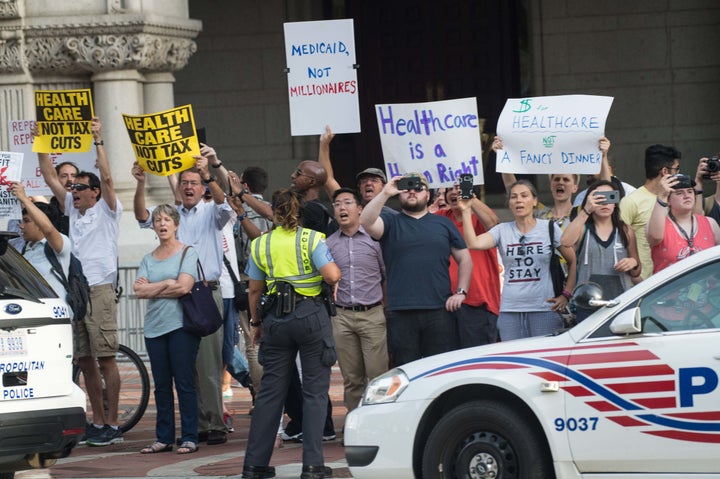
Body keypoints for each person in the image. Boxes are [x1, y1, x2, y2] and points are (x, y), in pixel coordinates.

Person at [241, 189, 341, 479]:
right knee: (314, 393)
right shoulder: (312, 239)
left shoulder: (261, 244)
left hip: (275, 321)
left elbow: (255, 289)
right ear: (298, 211)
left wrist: (256, 322)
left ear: (273, 211)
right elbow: (332, 275)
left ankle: (255, 465)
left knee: (270, 394)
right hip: (310, 316)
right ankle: (312, 465)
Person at [133, 156, 232, 446]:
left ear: (203, 188)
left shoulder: (212, 211)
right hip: (169, 307)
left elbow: (225, 203)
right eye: (184, 182)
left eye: (194, 183)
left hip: (203, 292)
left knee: (208, 365)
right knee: (180, 372)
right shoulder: (170, 214)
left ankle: (212, 423)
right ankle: (192, 426)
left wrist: (209, 173)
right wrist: (140, 183)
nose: (189, 187)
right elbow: (141, 215)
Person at [37, 116, 124, 446]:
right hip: (78, 292)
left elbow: (108, 177)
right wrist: (42, 141)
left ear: (94, 193)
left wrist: (98, 139)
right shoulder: (73, 210)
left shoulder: (108, 210)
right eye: (70, 188)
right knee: (85, 360)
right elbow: (48, 175)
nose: (72, 192)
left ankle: (113, 424)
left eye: (78, 188)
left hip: (100, 289)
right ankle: (98, 421)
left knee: (106, 357)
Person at [360, 173, 472, 367]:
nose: (412, 191)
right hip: (401, 312)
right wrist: (386, 192)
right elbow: (366, 222)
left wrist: (461, 292)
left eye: (418, 188)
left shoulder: (443, 223)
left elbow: (465, 258)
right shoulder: (390, 222)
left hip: (439, 309)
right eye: (406, 188)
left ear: (427, 195)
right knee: (405, 370)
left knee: (441, 369)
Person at [459, 180, 577, 341]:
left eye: (524, 196)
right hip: (510, 310)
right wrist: (466, 210)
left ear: (534, 201)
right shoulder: (502, 230)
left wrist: (566, 294)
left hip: (544, 309)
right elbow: (473, 243)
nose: (519, 200)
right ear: (509, 203)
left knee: (544, 359)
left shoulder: (549, 227)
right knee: (515, 362)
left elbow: (573, 261)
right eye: (514, 197)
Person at [133, 205, 201, 455]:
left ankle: (190, 436)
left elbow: (183, 287)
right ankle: (164, 437)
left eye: (166, 219)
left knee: (184, 382)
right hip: (154, 328)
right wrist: (166, 283)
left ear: (175, 223)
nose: (161, 224)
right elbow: (138, 291)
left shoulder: (187, 253)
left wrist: (154, 286)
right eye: (157, 220)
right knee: (161, 385)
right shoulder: (147, 259)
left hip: (181, 326)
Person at [326, 187, 388, 413]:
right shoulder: (329, 244)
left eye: (347, 203)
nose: (342, 208)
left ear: (360, 209)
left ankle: (380, 424)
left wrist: (384, 308)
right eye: (337, 204)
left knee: (378, 376)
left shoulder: (375, 240)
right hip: (341, 317)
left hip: (372, 314)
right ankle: (354, 425)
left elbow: (386, 276)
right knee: (352, 379)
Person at [560, 180, 641, 321]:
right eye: (599, 198)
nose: (605, 203)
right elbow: (565, 241)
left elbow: (636, 271)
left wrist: (632, 262)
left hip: (620, 302)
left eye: (610, 197)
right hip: (587, 302)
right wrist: (586, 210)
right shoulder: (583, 229)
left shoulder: (625, 230)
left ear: (615, 202)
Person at [493, 136, 610, 230]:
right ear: (550, 185)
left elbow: (606, 194)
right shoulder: (539, 212)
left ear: (575, 188)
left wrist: (603, 157)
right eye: (556, 179)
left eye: (566, 180)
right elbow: (513, 189)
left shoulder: (583, 211)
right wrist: (502, 157)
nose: (560, 183)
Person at [436, 185, 501, 346]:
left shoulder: (480, 218)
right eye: (449, 189)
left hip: (478, 305)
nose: (453, 192)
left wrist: (469, 199)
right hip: (443, 305)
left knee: (478, 366)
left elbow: (494, 224)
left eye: (458, 188)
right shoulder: (440, 218)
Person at [620, 144, 683, 281]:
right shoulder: (631, 201)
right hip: (644, 283)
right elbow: (618, 244)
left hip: (674, 280)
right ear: (665, 171)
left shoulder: (677, 199)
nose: (679, 174)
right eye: (676, 169)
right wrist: (635, 278)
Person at [646, 173, 720, 273]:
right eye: (679, 193)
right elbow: (655, 237)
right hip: (671, 287)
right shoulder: (660, 224)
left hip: (707, 287)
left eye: (690, 191)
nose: (686, 196)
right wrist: (661, 196)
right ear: (668, 200)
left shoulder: (710, 223)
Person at [12, 182, 71, 305]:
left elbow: (48, 229)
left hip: (56, 317)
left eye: (27, 221)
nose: (21, 226)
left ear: (40, 224)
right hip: (34, 314)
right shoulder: (24, 250)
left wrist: (24, 198)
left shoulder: (60, 244)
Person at [317, 125, 397, 214]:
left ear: (384, 187)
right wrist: (324, 144)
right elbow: (327, 179)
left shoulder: (393, 217)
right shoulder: (350, 210)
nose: (368, 183)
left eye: (374, 180)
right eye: (363, 181)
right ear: (359, 188)